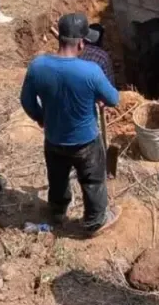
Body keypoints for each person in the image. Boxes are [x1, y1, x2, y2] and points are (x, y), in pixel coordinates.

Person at [20, 13, 120, 235]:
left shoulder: (38, 66)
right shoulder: (91, 72)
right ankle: (95, 222)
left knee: (57, 177)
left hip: (53, 138)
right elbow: (113, 99)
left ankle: (57, 212)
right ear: (82, 42)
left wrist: (40, 117)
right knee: (93, 181)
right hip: (86, 142)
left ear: (60, 38)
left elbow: (26, 101)